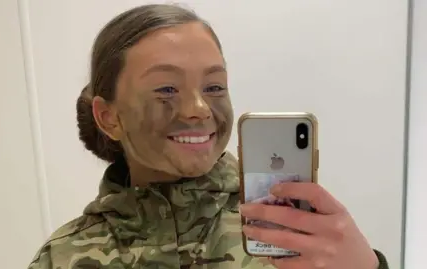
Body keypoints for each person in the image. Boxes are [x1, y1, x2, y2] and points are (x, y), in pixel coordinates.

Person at [27, 4, 389, 269]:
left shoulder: (293, 235)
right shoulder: (63, 258)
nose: (199, 109)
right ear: (109, 117)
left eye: (214, 85)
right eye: (166, 88)